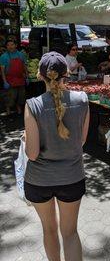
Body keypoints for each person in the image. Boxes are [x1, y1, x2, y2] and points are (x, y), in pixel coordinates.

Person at [24, 52, 90, 261]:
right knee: (70, 233)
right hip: (71, 178)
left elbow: (32, 154)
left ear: (40, 76)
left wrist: (26, 140)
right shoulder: (82, 100)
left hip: (38, 181)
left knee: (49, 230)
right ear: (66, 74)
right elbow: (80, 142)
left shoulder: (32, 105)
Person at [0, 38, 28, 116]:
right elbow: (2, 71)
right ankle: (8, 111)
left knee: (20, 96)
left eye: (12, 44)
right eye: (8, 45)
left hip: (20, 79)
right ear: (6, 47)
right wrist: (5, 81)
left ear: (15, 45)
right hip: (10, 80)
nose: (10, 46)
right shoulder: (3, 57)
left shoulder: (21, 55)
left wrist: (27, 77)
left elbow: (24, 66)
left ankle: (19, 110)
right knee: (10, 97)